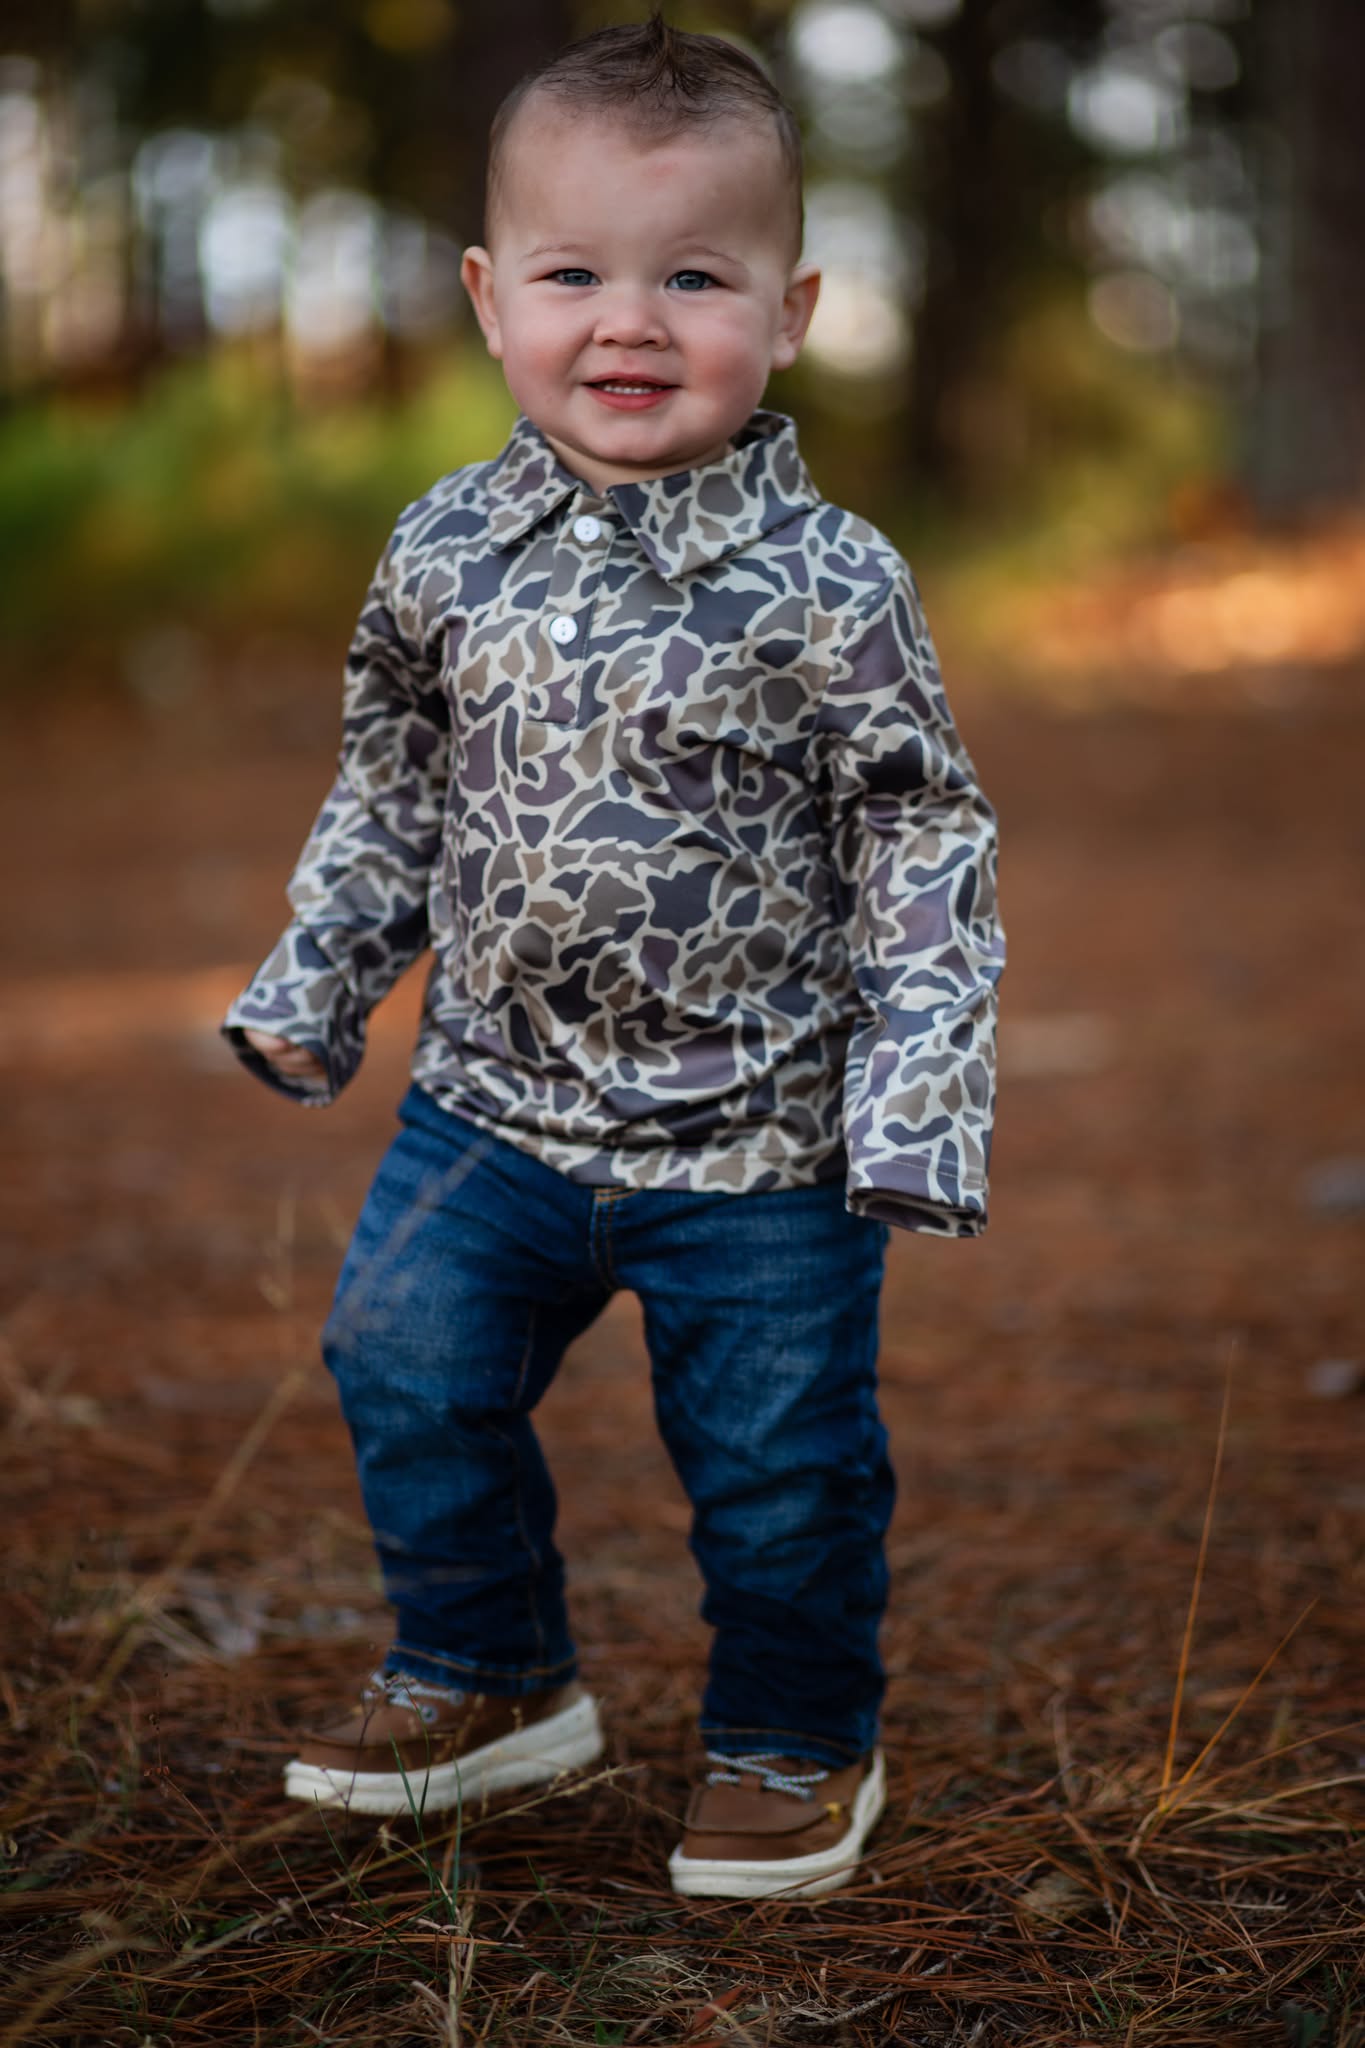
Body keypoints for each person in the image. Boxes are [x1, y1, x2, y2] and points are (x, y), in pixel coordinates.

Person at [224, 13, 1004, 1900]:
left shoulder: (831, 583)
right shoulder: (442, 550)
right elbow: (392, 788)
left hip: (759, 1146)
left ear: (792, 308)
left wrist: (917, 1100)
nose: (630, 322)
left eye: (695, 277)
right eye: (575, 273)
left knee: (777, 1467)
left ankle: (792, 1739)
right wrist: (318, 979)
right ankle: (489, 1671)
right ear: (492, 302)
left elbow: (924, 836)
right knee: (399, 1356)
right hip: (488, 1111)